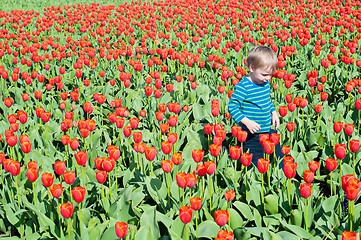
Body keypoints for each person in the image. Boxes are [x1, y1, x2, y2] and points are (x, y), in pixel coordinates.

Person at [228, 45, 283, 168]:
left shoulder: (264, 83)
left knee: (279, 161)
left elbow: (266, 100)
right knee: (252, 165)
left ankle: (279, 183)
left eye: (270, 75)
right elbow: (232, 107)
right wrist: (246, 122)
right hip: (251, 135)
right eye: (264, 74)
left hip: (267, 131)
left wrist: (273, 111)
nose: (268, 78)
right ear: (252, 68)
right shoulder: (243, 87)